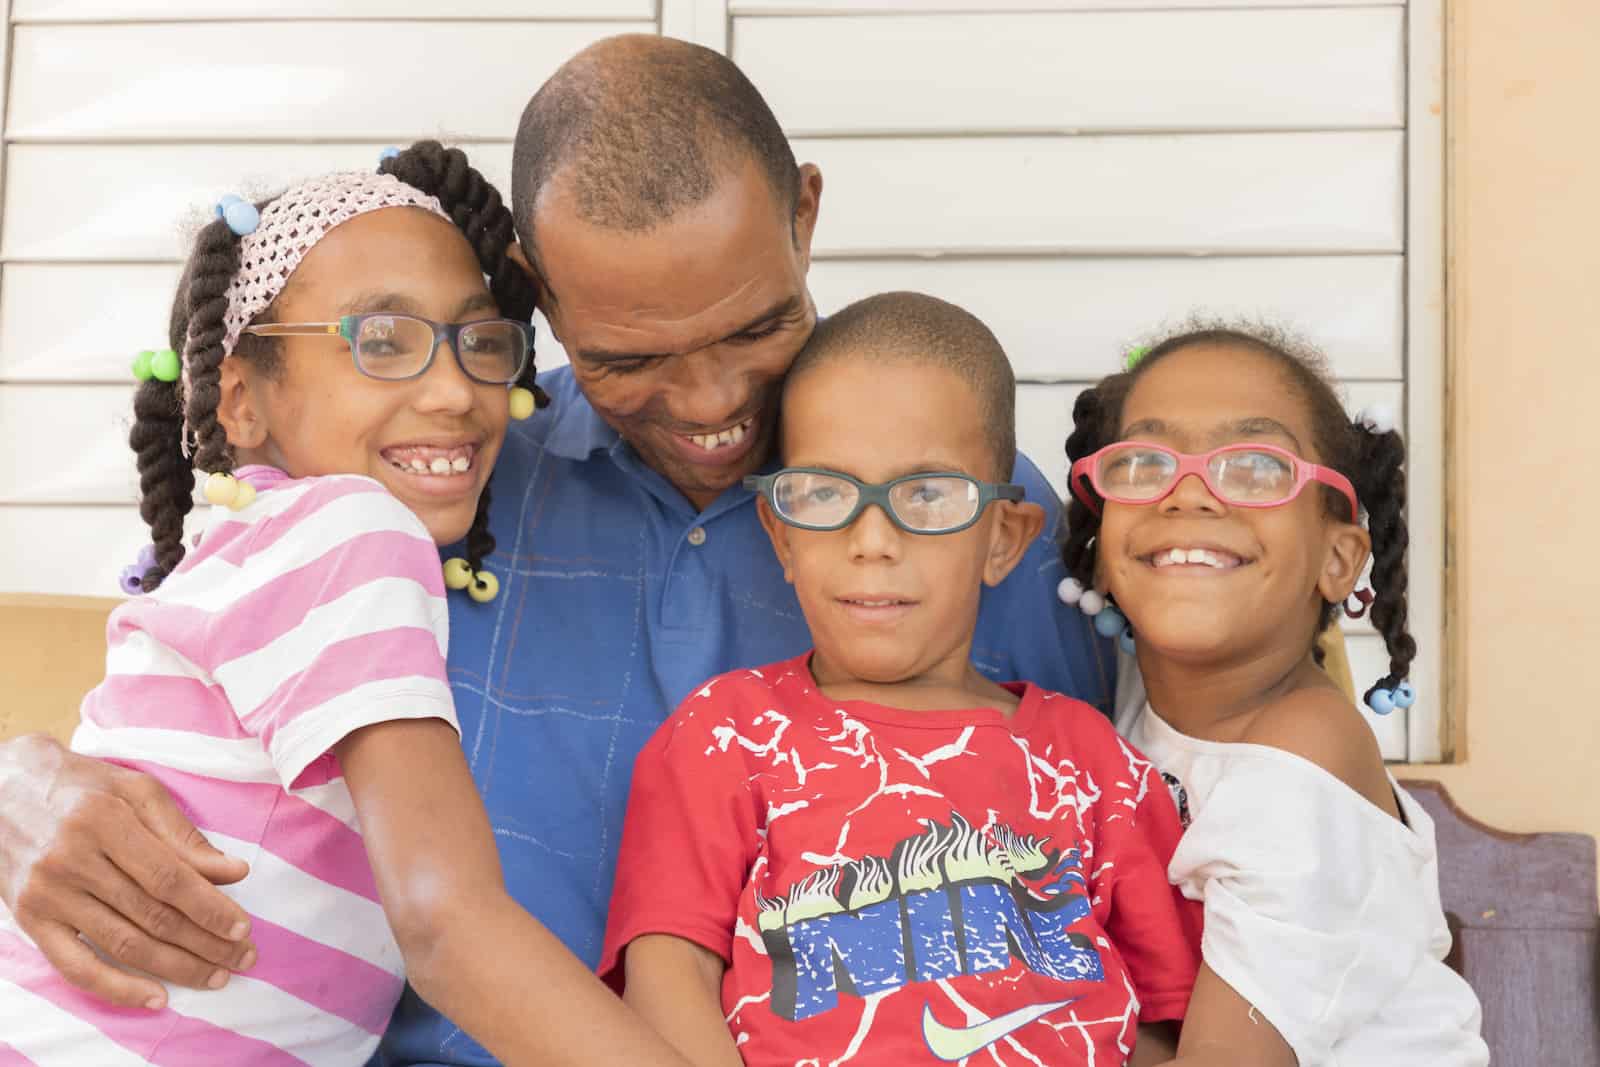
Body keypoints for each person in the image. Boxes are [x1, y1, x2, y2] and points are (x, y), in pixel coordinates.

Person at [0, 33, 1327, 1067]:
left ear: (806, 216)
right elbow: (169, 705)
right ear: (534, 286)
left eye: (755, 324)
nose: (707, 403)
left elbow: (1192, 807)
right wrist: (15, 787)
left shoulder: (971, 519)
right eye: (629, 353)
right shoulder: (425, 481)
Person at [0, 144, 690, 1067]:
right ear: (241, 400)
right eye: (383, 341)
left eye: (480, 342)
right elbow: (448, 922)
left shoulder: (253, 550)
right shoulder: (355, 530)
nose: (453, 389)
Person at [600, 293, 1206, 1066]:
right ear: (781, 534)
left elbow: (1166, 1018)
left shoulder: (1091, 760)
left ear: (1002, 538)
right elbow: (667, 981)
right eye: (826, 493)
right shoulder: (727, 732)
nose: (873, 540)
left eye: (926, 495)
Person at [1059, 326, 1488, 1065]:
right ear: (1101, 550)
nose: (1187, 493)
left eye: (1255, 467)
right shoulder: (1123, 704)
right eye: (1143, 462)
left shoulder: (1306, 753)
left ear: (1337, 558)